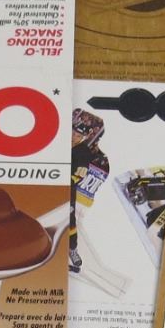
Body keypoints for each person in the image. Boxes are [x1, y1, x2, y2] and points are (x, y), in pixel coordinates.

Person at [68, 109, 109, 275]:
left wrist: (68, 182)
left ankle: (72, 249)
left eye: (78, 135)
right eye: (72, 133)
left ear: (85, 137)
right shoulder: (58, 145)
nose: (73, 137)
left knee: (70, 220)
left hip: (68, 191)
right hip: (51, 188)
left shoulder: (85, 153)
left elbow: (80, 174)